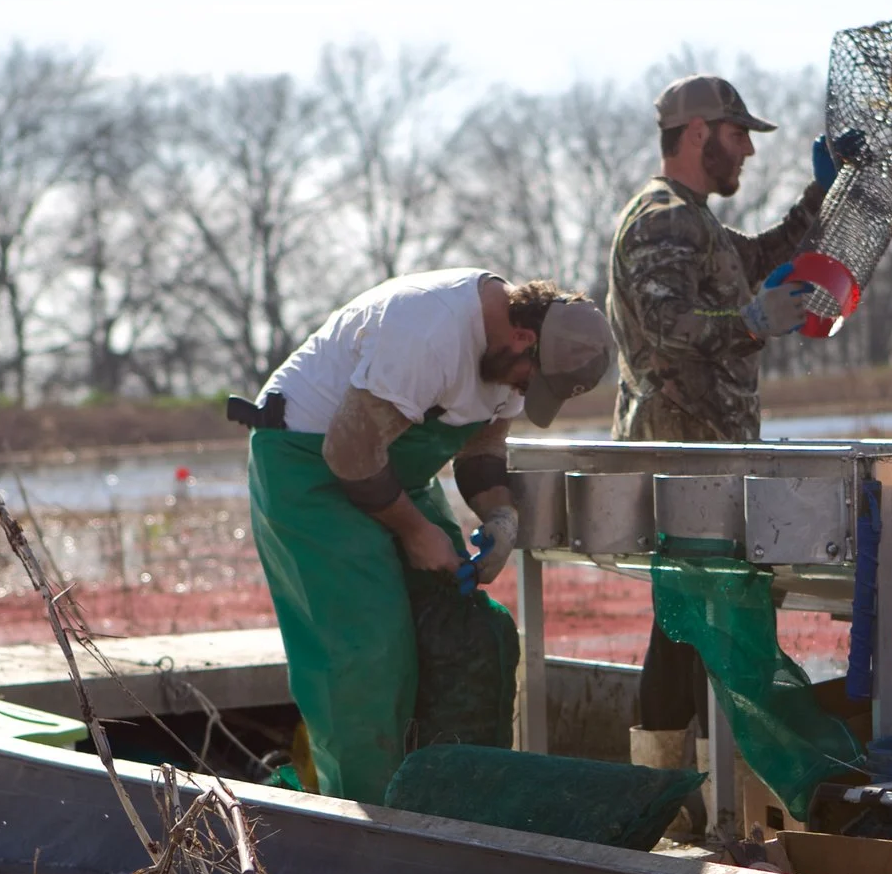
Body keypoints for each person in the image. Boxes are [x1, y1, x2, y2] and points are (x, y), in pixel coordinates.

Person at [244, 268, 611, 801]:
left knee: (457, 622)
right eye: (530, 381)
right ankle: (364, 816)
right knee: (364, 649)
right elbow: (348, 451)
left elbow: (483, 450)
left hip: (386, 470)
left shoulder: (508, 358)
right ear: (523, 337)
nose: (522, 392)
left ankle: (442, 802)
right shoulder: (429, 330)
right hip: (308, 465)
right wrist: (417, 532)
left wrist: (501, 517)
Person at [605, 73, 854, 777]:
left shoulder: (694, 220)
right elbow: (665, 324)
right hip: (686, 464)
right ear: (697, 134)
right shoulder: (663, 218)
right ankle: (699, 795)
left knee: (688, 632)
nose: (747, 148)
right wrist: (750, 323)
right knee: (700, 630)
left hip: (704, 463)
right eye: (738, 133)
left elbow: (763, 258)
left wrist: (821, 196)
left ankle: (682, 794)